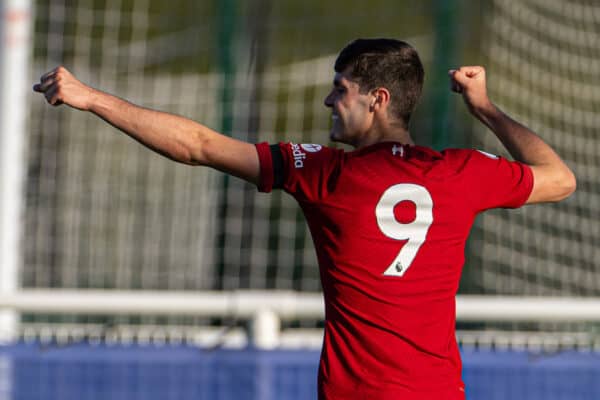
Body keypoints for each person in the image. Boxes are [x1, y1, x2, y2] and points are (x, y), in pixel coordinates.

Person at [34, 38, 575, 400]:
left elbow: (198, 145)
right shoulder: (460, 172)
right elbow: (560, 178)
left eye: (340, 90)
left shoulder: (322, 172)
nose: (327, 101)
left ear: (377, 100)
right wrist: (484, 109)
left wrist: (91, 98)